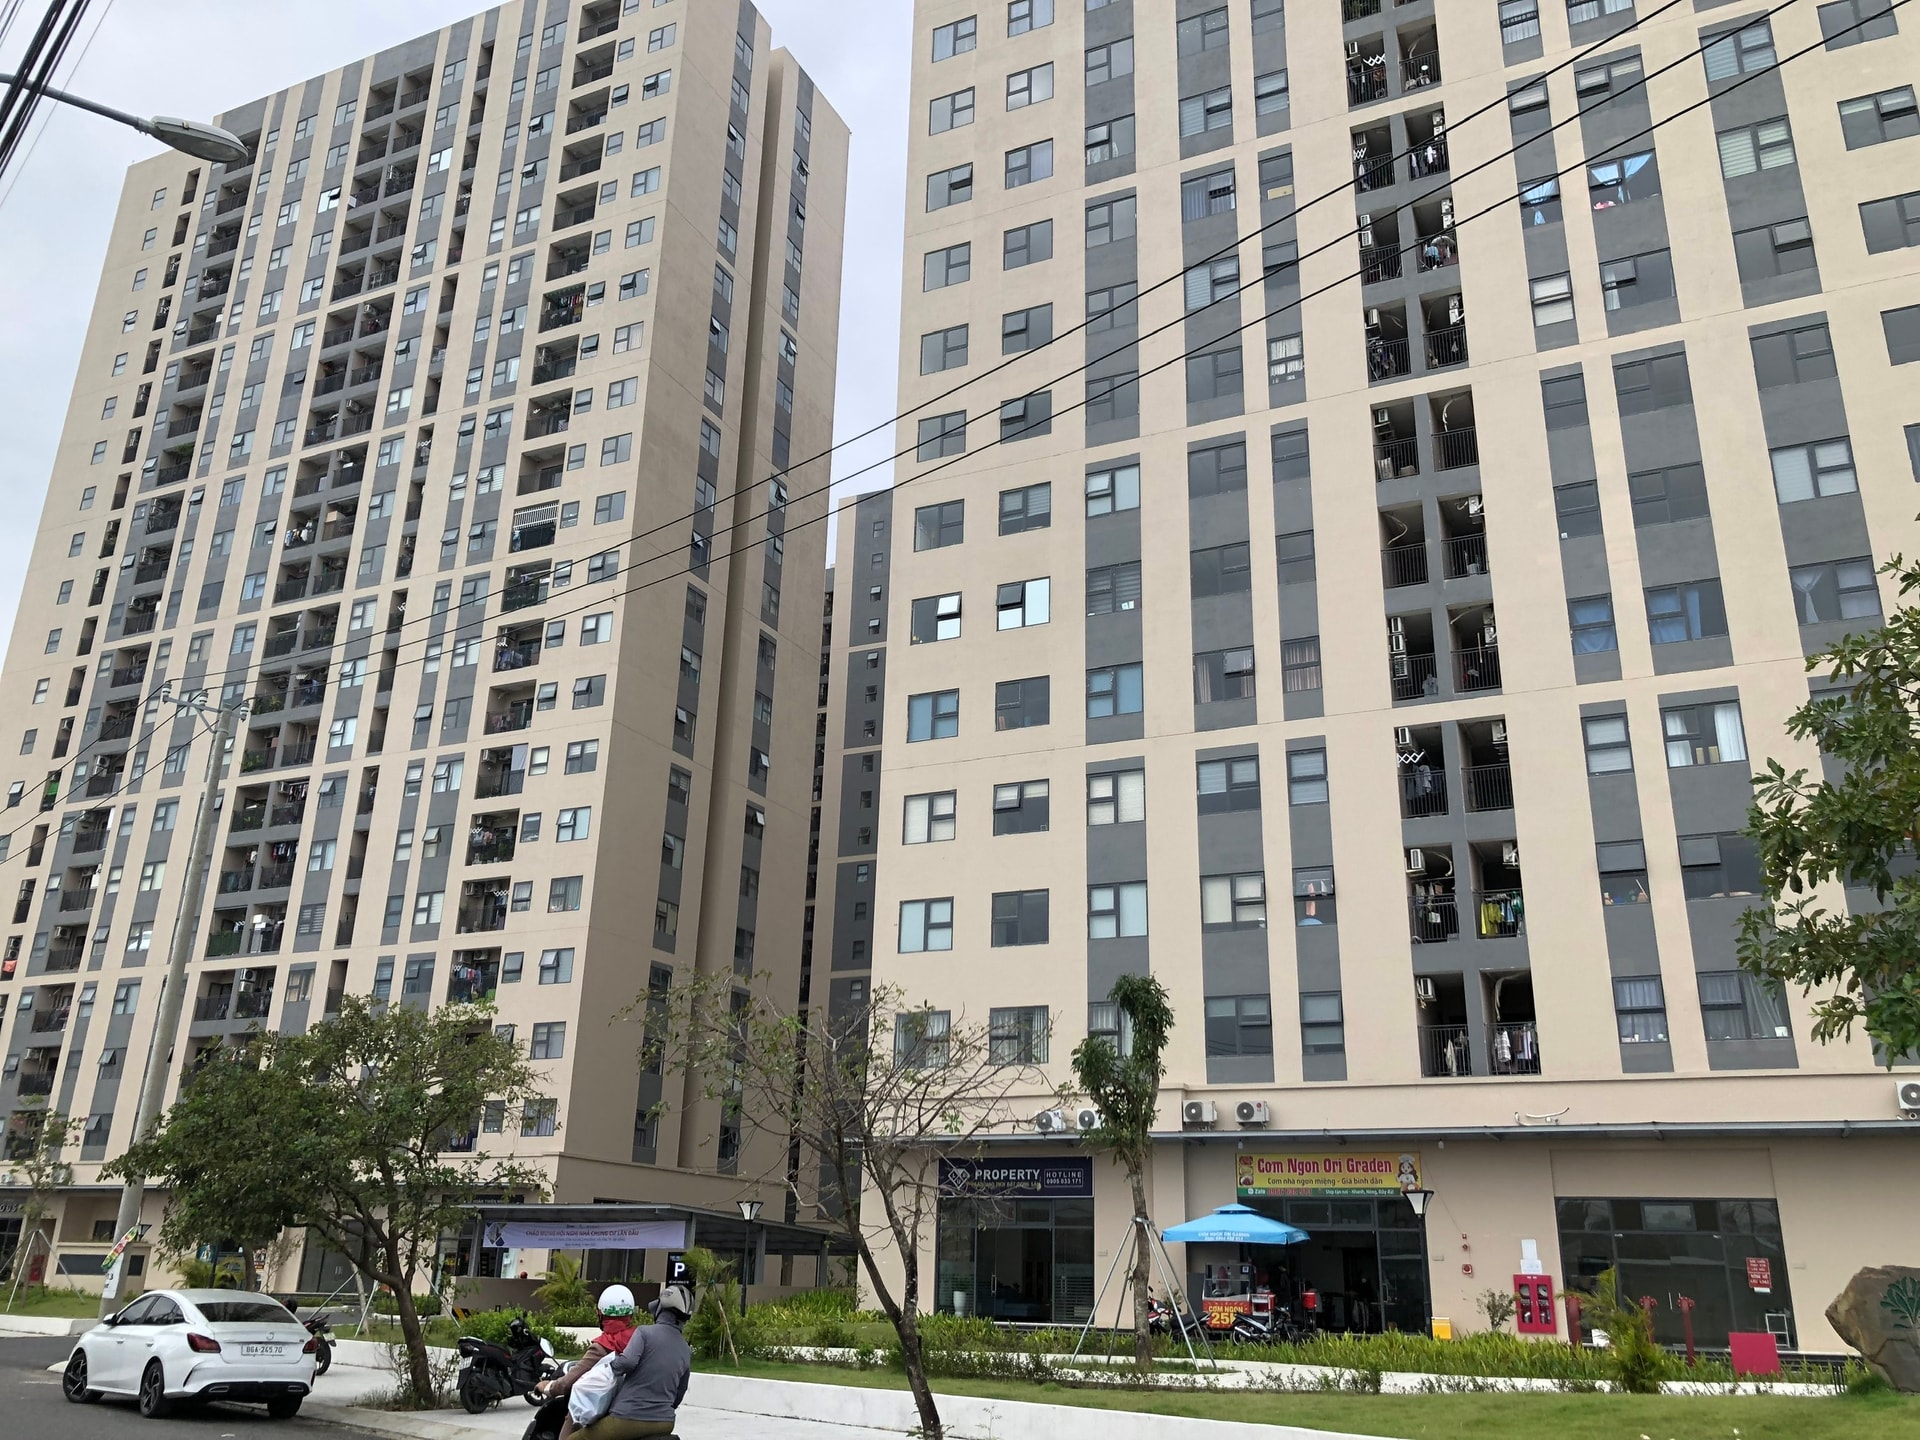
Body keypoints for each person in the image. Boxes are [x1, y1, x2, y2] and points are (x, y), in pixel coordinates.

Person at [574, 1282, 694, 1440]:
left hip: (629, 1417)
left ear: (660, 1309)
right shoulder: (685, 1349)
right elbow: (680, 1391)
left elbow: (627, 1363)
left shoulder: (644, 1333)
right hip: (665, 1422)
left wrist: (607, 1367)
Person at [533, 1284, 641, 1440]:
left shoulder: (602, 1347)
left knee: (572, 1422)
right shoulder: (640, 1341)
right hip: (638, 1411)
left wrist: (547, 1387)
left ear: (601, 1314)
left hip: (608, 1414)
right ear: (630, 1314)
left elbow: (567, 1383)